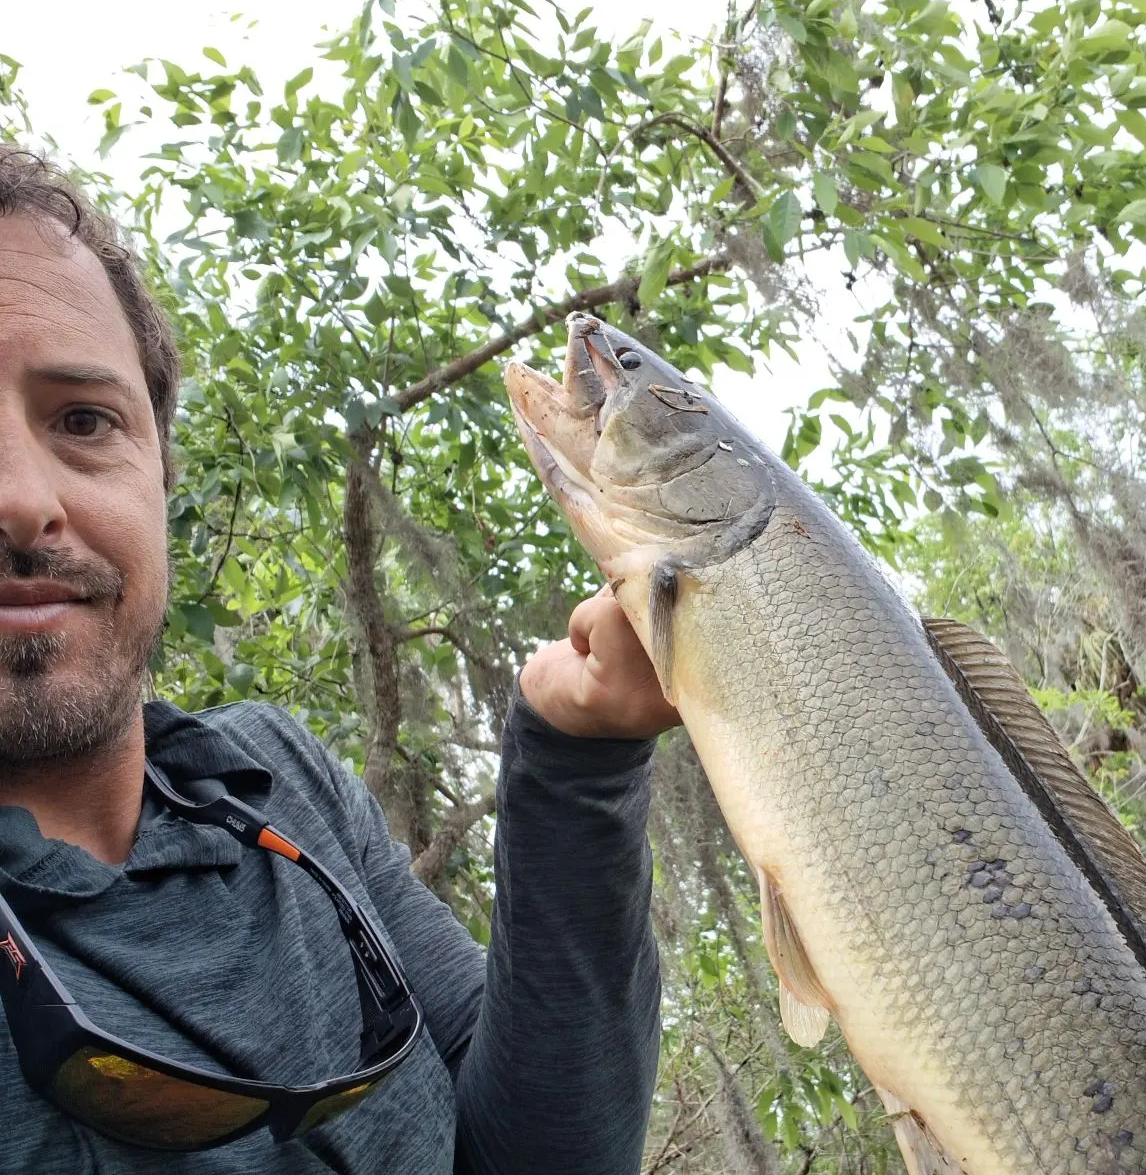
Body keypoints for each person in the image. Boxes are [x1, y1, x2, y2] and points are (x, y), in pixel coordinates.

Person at [0, 141, 681, 1173]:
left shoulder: (276, 780)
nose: (20, 499)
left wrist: (577, 754)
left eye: (84, 420)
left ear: (161, 475)